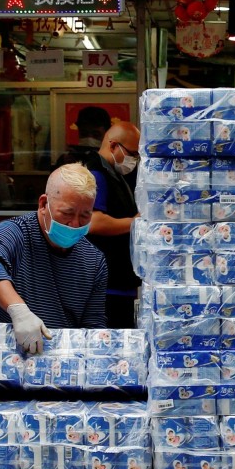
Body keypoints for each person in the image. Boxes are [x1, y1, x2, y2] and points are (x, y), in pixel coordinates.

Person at [0, 163, 108, 354]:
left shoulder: (94, 260)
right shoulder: (14, 233)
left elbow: (93, 326)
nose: (75, 224)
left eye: (85, 215)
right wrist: (19, 311)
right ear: (44, 204)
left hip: (56, 368)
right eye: (67, 213)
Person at [83, 121, 142, 329]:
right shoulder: (96, 174)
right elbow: (94, 221)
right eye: (132, 153)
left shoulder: (116, 174)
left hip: (121, 281)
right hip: (107, 285)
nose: (134, 160)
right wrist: (136, 223)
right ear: (113, 145)